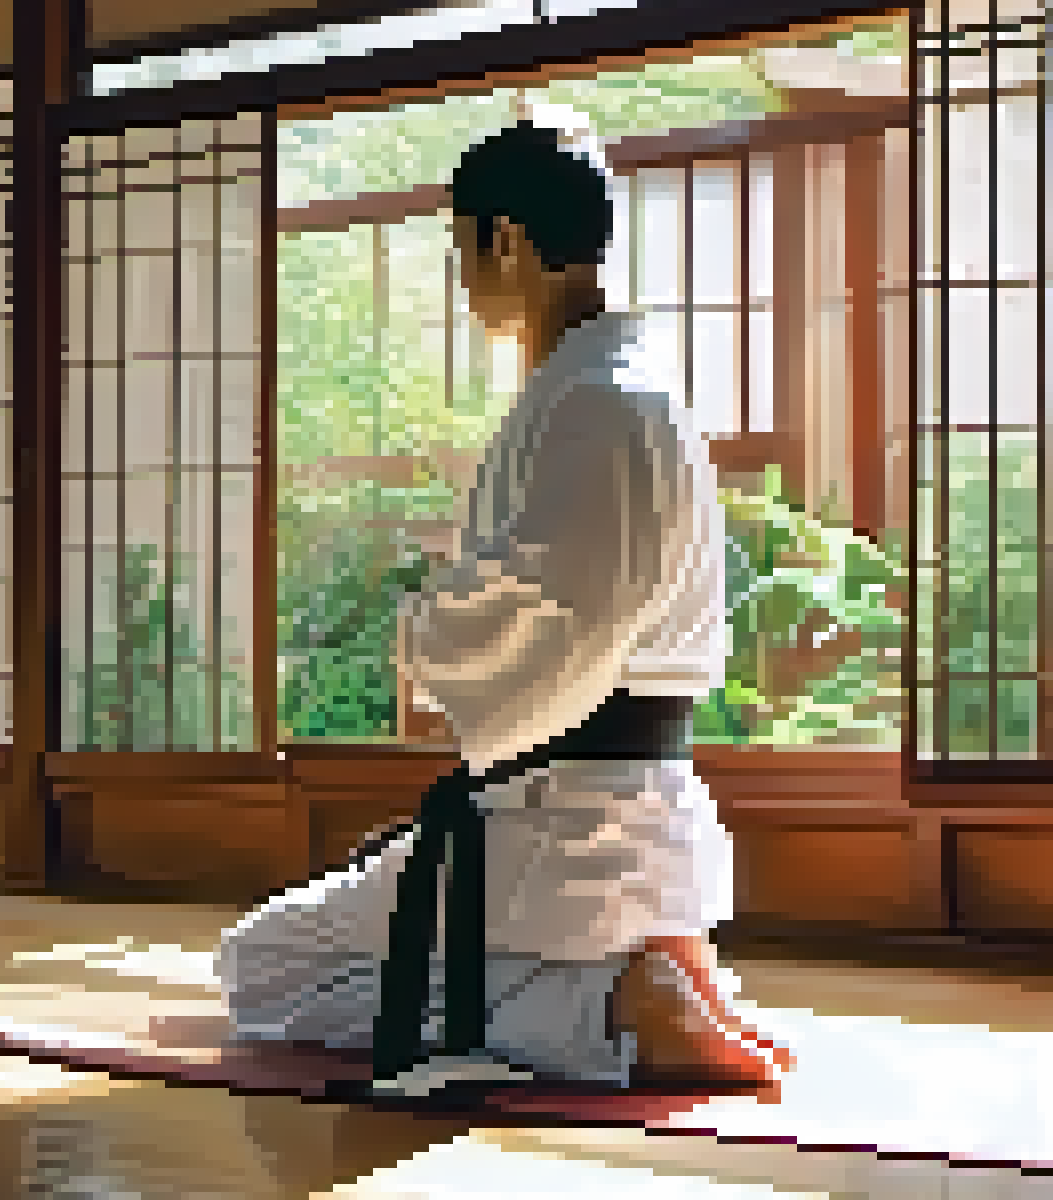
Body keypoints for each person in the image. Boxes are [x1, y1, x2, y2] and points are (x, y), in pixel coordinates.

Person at [214, 112, 794, 1100]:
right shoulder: (626, 392)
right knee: (364, 925)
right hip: (635, 822)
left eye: (464, 251)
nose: (464, 279)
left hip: (565, 826)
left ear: (510, 243)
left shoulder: (598, 404)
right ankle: (653, 965)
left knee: (263, 965)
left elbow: (558, 614)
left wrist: (424, 622)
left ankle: (609, 1002)